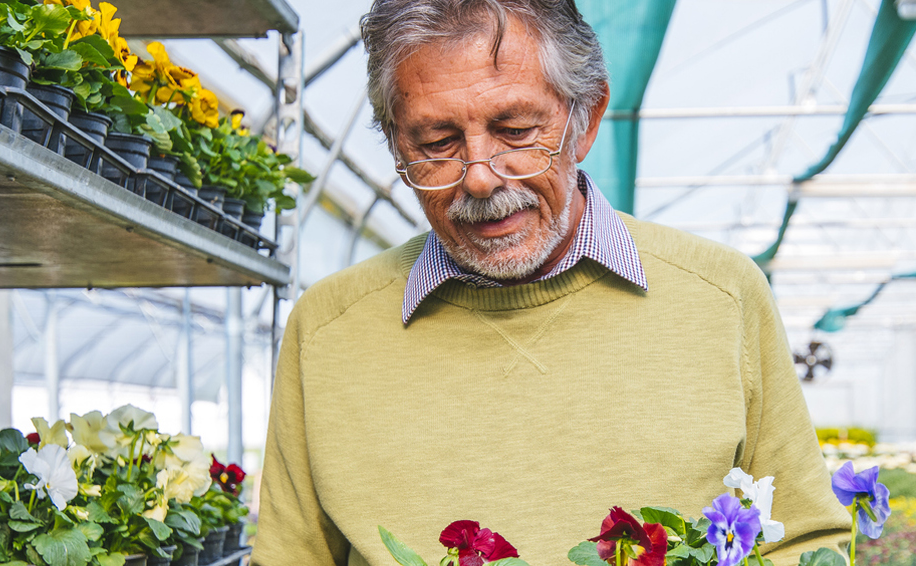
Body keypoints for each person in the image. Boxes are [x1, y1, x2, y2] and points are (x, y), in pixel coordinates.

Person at [252, 1, 852, 564]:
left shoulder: (722, 298)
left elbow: (804, 539)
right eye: (437, 143)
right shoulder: (328, 329)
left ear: (585, 119)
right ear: (393, 145)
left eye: (515, 130)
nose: (481, 177)